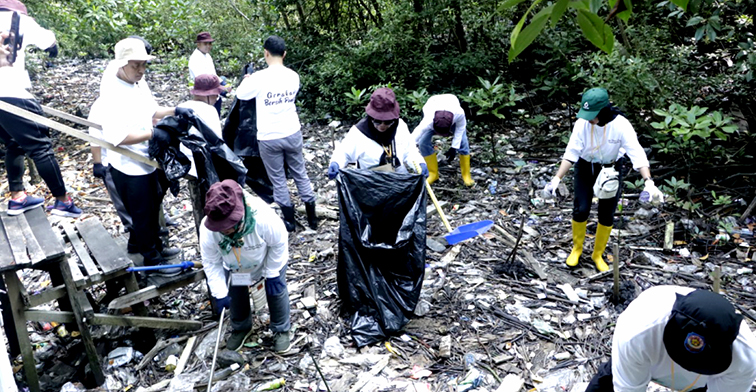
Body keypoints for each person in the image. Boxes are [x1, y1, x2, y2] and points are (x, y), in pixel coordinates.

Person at [543, 88, 663, 272]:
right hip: (585, 166)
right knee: (581, 209)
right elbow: (572, 152)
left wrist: (649, 182)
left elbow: (636, 153)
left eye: (593, 115)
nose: (589, 118)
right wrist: (557, 179)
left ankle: (597, 254)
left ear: (604, 112)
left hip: (611, 169)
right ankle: (577, 249)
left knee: (606, 214)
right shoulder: (582, 124)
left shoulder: (621, 125)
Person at [97, 37, 190, 269]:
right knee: (142, 214)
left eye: (144, 64)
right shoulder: (111, 93)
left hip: (146, 157)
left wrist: (176, 110)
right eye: (135, 65)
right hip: (128, 164)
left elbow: (152, 109)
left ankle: (152, 246)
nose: (140, 70)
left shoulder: (138, 82)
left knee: (153, 204)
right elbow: (115, 137)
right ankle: (152, 257)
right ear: (121, 64)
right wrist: (152, 134)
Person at [585, 285, 756, 392]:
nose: (689, 369)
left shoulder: (745, 358)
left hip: (703, 385)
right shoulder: (638, 330)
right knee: (608, 382)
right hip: (644, 358)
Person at [0, 2, 81, 217]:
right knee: (41, 147)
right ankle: (63, 201)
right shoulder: (20, 21)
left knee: (14, 143)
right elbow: (49, 40)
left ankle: (18, 197)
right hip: (11, 91)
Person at [236, 35, 317, 232]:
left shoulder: (259, 77)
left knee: (278, 179)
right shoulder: (293, 76)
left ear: (266, 53)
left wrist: (247, 80)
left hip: (269, 136)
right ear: (284, 54)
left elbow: (241, 94)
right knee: (300, 173)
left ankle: (289, 223)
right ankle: (313, 220)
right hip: (292, 131)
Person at [200, 179, 291, 353]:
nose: (225, 230)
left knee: (276, 290)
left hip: (266, 258)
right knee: (236, 294)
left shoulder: (263, 217)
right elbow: (211, 262)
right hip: (235, 265)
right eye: (221, 227)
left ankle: (281, 329)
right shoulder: (207, 230)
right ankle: (241, 327)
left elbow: (279, 243)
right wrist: (219, 293)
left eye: (228, 225)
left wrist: (271, 272)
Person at [328, 87, 428, 179]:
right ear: (371, 118)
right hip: (369, 181)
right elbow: (344, 153)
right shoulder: (359, 132)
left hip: (398, 177)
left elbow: (410, 152)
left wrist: (420, 164)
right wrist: (336, 163)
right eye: (377, 121)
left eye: (387, 122)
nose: (382, 126)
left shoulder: (400, 127)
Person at [411, 94, 474, 186]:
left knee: (463, 142)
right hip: (433, 106)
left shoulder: (459, 114)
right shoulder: (428, 120)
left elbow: (460, 129)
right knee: (423, 142)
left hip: (452, 110)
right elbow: (413, 138)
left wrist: (454, 147)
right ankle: (433, 174)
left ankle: (466, 176)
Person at [177, 73, 224, 177]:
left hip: (183, 161)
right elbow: (217, 141)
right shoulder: (210, 110)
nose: (217, 98)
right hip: (203, 163)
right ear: (209, 95)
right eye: (216, 95)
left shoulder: (181, 106)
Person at [188, 32, 230, 115]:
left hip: (212, 85)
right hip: (203, 90)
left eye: (209, 43)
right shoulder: (195, 59)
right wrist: (220, 87)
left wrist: (223, 84)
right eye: (205, 44)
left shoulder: (207, 55)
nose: (208, 46)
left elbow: (213, 74)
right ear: (198, 44)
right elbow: (202, 79)